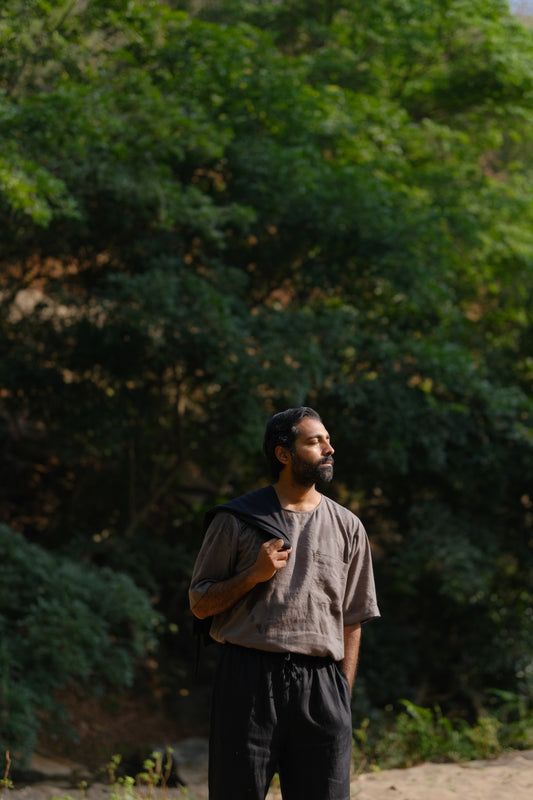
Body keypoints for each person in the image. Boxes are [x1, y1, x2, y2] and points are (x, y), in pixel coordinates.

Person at [189, 407, 380, 800]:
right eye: (314, 441)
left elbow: (352, 619)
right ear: (283, 454)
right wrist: (253, 575)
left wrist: (342, 693)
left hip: (323, 685)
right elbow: (200, 604)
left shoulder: (348, 526)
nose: (329, 448)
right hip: (248, 679)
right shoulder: (238, 520)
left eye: (327, 439)